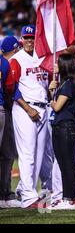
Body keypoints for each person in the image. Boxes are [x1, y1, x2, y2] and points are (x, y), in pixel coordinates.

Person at [8, 25, 50, 208]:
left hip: (43, 108)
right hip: (25, 109)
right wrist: (27, 109)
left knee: (39, 154)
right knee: (27, 153)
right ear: (21, 40)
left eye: (32, 38)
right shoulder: (16, 60)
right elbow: (12, 89)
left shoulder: (43, 59)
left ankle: (28, 191)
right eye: (26, 38)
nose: (29, 41)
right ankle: (28, 196)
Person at [47, 54, 75, 210]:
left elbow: (57, 107)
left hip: (66, 127)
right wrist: (52, 91)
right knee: (62, 164)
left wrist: (51, 95)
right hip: (59, 126)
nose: (54, 67)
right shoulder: (64, 84)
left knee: (67, 164)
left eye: (57, 64)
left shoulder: (68, 84)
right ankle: (65, 198)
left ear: (64, 66)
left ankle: (69, 199)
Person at [0, 36, 21, 208]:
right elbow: (9, 89)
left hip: (4, 110)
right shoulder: (4, 63)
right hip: (2, 108)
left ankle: (5, 194)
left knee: (7, 153)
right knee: (7, 154)